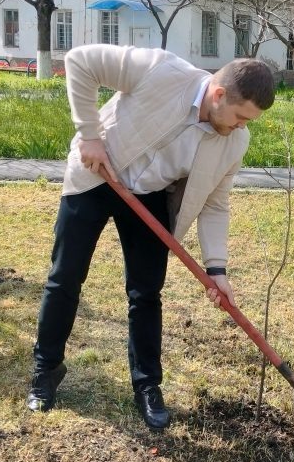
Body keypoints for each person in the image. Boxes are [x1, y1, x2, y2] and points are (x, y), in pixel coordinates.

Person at [27, 44, 276, 430]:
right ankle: (46, 370)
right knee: (65, 277)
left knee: (146, 293)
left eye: (250, 122)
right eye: (241, 117)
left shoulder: (233, 141)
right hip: (96, 173)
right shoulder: (161, 69)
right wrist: (89, 135)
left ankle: (147, 385)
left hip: (150, 196)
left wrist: (217, 268)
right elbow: (80, 61)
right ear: (219, 94)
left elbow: (215, 204)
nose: (242, 126)